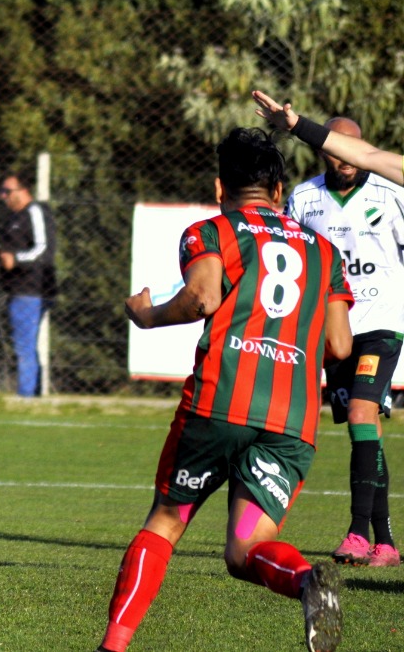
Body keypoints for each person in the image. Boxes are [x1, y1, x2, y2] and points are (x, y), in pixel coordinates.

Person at [97, 127, 351, 652]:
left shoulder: (211, 231)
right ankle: (307, 581)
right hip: (291, 420)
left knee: (166, 521)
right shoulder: (326, 253)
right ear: (278, 191)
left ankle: (113, 646)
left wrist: (147, 315)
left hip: (220, 404)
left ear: (220, 188)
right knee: (246, 549)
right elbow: (340, 344)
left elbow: (201, 298)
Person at [256, 101, 404, 567]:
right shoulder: (305, 199)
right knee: (364, 427)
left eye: (352, 148)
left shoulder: (391, 192)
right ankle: (385, 543)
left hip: (382, 324)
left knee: (362, 412)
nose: (346, 157)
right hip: (336, 331)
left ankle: (357, 533)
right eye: (337, 148)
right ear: (325, 151)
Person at [0, 172, 57, 397]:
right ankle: (33, 393)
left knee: (24, 345)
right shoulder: (12, 218)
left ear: (23, 191)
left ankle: (26, 395)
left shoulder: (35, 211)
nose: (3, 196)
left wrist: (16, 259)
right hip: (16, 289)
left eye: (7, 191)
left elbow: (43, 249)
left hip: (32, 289)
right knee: (24, 343)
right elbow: (10, 253)